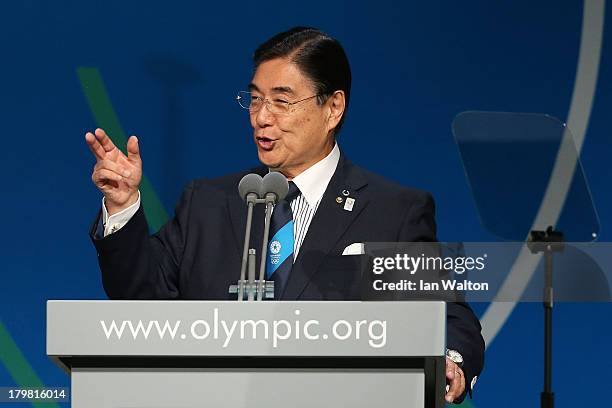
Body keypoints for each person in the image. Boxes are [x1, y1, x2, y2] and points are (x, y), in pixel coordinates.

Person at [85, 27, 484, 403]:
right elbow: (139, 299)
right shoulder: (207, 201)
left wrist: (450, 359)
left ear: (333, 108)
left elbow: (447, 314)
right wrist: (122, 206)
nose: (262, 116)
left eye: (281, 100)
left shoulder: (391, 211)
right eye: (255, 98)